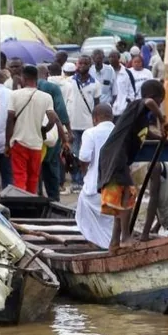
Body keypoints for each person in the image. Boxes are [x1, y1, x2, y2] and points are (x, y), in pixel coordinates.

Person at [97, 79, 168, 252]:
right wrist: (162, 119)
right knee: (128, 194)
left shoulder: (140, 118)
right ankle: (125, 238)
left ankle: (115, 241)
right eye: (160, 101)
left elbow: (146, 133)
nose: (158, 105)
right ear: (154, 97)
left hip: (116, 157)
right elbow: (149, 102)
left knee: (122, 197)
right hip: (115, 156)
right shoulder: (137, 105)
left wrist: (164, 139)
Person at [5, 64, 60, 194]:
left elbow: (10, 119)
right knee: (33, 177)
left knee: (20, 175)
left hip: (19, 142)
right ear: (36, 79)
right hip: (36, 144)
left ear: (23, 78)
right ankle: (31, 201)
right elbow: (53, 119)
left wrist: (7, 143)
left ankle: (21, 201)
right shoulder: (46, 97)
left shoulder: (14, 95)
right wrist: (44, 130)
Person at [76, 103, 117, 248]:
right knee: (110, 220)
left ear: (95, 118)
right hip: (115, 188)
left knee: (83, 209)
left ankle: (94, 244)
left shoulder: (91, 133)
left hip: (94, 189)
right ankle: (110, 245)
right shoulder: (119, 132)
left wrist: (84, 172)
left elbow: (84, 157)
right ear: (111, 117)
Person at [65, 56, 100, 192]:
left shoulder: (95, 84)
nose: (82, 65)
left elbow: (97, 104)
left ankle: (85, 180)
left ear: (90, 65)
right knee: (74, 154)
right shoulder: (69, 82)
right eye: (80, 63)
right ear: (76, 64)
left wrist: (96, 122)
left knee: (86, 154)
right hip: (72, 124)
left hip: (88, 125)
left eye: (86, 63)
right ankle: (76, 181)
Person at [38, 64, 72, 200]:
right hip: (51, 133)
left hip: (33, 135)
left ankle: (37, 196)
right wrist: (68, 133)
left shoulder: (23, 88)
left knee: (35, 168)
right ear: (47, 74)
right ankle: (53, 198)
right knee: (51, 166)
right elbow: (60, 111)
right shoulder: (52, 88)